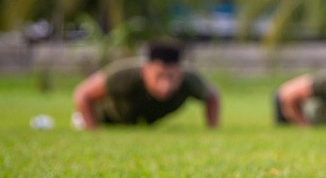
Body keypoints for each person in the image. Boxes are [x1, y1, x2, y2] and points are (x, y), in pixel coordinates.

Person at [73, 41, 220, 129]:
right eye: (159, 76)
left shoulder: (190, 80)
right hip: (107, 118)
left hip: (142, 121)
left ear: (180, 72)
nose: (166, 85)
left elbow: (213, 96)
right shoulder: (124, 75)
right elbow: (83, 94)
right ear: (146, 70)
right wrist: (93, 130)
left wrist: (211, 130)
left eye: (172, 77)